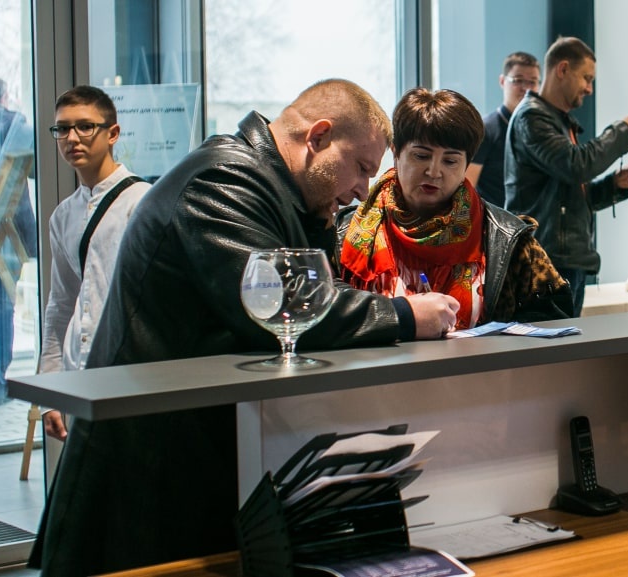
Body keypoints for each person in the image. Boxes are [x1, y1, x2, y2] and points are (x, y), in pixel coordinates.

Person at [30, 79, 459, 576]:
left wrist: (319, 217)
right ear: (318, 136)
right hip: (142, 469)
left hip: (182, 456)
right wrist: (405, 315)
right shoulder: (222, 180)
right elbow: (282, 306)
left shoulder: (270, 187)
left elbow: (308, 286)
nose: (364, 189)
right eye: (362, 167)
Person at [339, 87, 573, 326]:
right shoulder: (344, 231)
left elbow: (553, 322)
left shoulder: (506, 237)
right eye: (421, 156)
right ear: (396, 153)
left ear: (466, 166)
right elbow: (326, 317)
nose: (434, 171)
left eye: (450, 161)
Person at [36, 85, 152, 442]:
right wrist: (49, 391)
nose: (72, 138)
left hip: (130, 376)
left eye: (85, 126)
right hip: (77, 373)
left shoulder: (143, 202)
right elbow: (61, 304)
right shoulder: (63, 215)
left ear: (112, 133)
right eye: (62, 129)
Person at [505, 36, 628, 317]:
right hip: (543, 263)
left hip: (562, 261)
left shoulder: (557, 120)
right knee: (549, 345)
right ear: (563, 69)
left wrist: (613, 186)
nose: (589, 89)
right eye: (586, 78)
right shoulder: (532, 118)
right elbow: (575, 165)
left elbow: (570, 198)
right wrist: (622, 133)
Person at [0, 75, 37, 406]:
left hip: (4, 232)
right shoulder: (14, 125)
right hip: (5, 233)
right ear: (4, 95)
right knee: (1, 305)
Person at [467, 51, 540, 208]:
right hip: (495, 220)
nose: (526, 89)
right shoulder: (486, 130)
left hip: (532, 220)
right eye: (518, 80)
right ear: (502, 81)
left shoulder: (540, 129)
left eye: (532, 82)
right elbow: (467, 189)